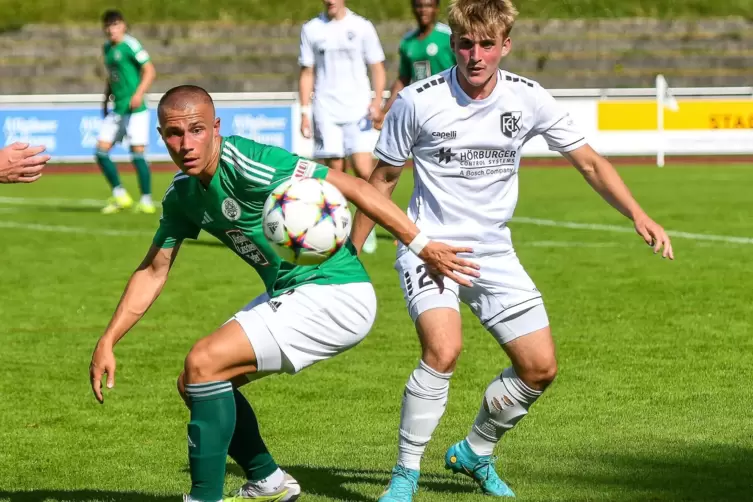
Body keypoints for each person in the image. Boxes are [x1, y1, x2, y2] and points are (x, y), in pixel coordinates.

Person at [88, 85, 478, 502]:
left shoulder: (249, 162)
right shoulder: (183, 194)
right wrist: (108, 339)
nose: (185, 144)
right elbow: (153, 270)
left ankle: (203, 498)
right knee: (194, 382)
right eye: (173, 134)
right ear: (162, 135)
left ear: (215, 128)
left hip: (335, 293)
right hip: (295, 294)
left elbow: (359, 188)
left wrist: (423, 246)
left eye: (196, 130)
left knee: (203, 362)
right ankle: (270, 482)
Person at [349, 0, 675, 499]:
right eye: (465, 44)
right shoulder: (416, 101)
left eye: (486, 44)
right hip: (427, 245)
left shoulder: (529, 98)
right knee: (443, 349)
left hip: (493, 254)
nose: (475, 55)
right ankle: (404, 475)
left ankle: (475, 450)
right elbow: (381, 181)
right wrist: (351, 257)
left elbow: (588, 162)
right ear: (452, 43)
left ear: (505, 45)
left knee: (540, 367)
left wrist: (638, 213)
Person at [298, 0, 386, 253]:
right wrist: (305, 112)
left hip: (357, 109)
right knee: (334, 173)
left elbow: (377, 66)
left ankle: (366, 223)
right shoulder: (311, 28)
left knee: (363, 169)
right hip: (325, 109)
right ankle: (341, 227)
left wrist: (377, 101)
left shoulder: (362, 27)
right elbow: (307, 72)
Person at [96, 9, 157, 215]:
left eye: (115, 24)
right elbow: (111, 77)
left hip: (135, 109)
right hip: (118, 107)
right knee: (100, 151)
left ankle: (146, 199)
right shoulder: (107, 48)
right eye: (107, 25)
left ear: (123, 25)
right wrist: (106, 99)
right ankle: (120, 194)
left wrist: (139, 94)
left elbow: (150, 70)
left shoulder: (131, 44)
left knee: (137, 153)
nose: (111, 29)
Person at [375, 0, 456, 131]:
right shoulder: (407, 41)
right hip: (420, 111)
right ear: (413, 8)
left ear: (436, 9)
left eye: (428, 6)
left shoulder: (448, 36)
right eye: (419, 6)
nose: (423, 10)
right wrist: (385, 111)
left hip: (448, 108)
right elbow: (403, 80)